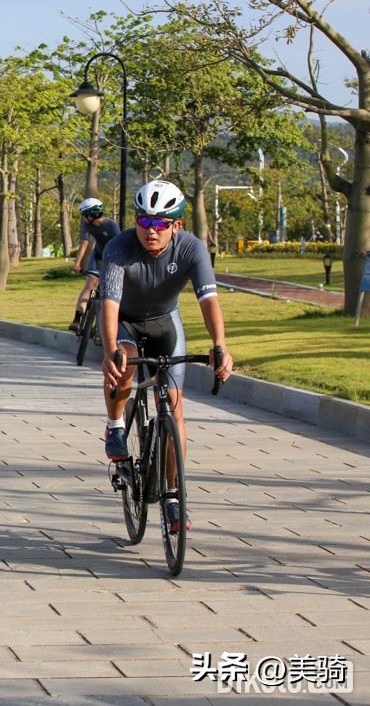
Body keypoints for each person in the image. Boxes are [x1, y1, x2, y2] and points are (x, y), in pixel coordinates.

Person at [99, 179, 233, 532]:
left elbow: (209, 300)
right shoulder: (119, 248)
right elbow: (109, 307)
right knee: (123, 361)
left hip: (163, 322)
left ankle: (174, 498)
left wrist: (219, 345)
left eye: (160, 224)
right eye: (144, 222)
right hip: (127, 322)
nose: (151, 231)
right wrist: (111, 350)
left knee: (173, 408)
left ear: (176, 225)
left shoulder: (192, 249)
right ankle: (115, 427)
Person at [69, 197, 121, 332]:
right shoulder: (88, 225)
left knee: (108, 290)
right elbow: (84, 243)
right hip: (97, 256)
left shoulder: (111, 226)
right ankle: (77, 319)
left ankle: (105, 324)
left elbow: (120, 247)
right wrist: (77, 263)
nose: (83, 219)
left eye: (85, 216)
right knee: (90, 284)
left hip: (112, 259)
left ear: (92, 215)